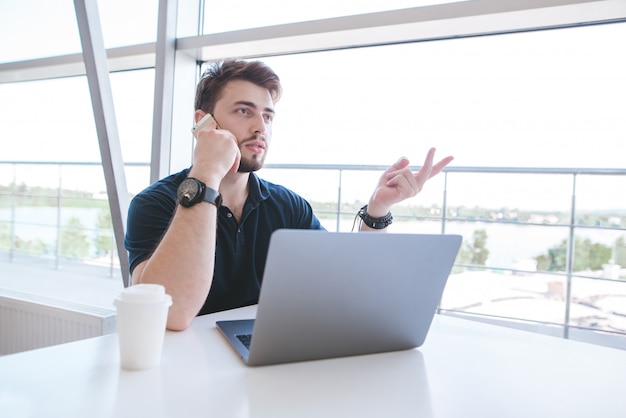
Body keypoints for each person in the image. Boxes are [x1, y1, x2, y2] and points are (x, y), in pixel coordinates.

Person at [124, 60, 453, 331]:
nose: (260, 128)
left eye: (267, 116)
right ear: (203, 123)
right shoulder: (155, 203)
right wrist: (207, 173)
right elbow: (171, 314)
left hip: (264, 360)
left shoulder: (288, 206)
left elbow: (345, 283)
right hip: (180, 374)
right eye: (244, 111)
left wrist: (378, 210)